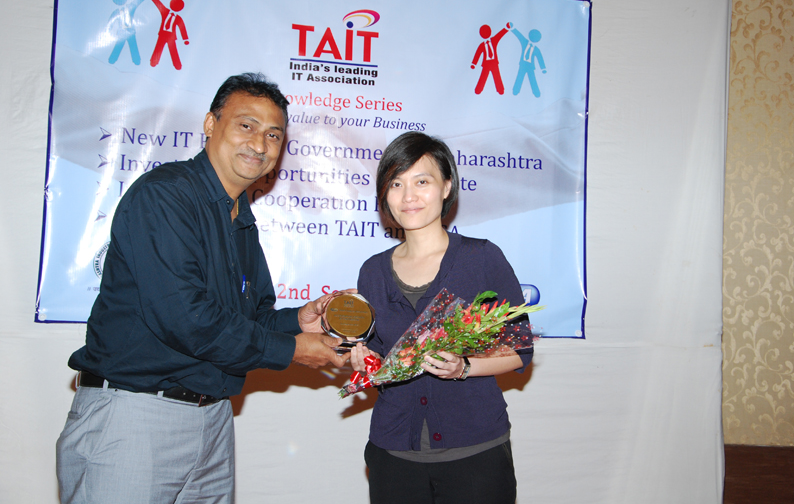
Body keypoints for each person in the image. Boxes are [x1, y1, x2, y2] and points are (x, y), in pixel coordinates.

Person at [56, 72, 348, 503]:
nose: (259, 144)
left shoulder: (240, 217)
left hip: (212, 420)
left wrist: (297, 322)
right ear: (211, 124)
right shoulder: (166, 196)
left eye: (273, 134)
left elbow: (248, 318)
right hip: (135, 416)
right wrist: (292, 350)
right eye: (246, 125)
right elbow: (186, 319)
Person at [351, 131, 532, 504]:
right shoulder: (372, 271)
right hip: (393, 453)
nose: (408, 196)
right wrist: (363, 361)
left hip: (475, 452)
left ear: (447, 186)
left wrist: (463, 367)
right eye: (396, 183)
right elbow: (378, 354)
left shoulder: (482, 259)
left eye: (422, 181)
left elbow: (520, 349)